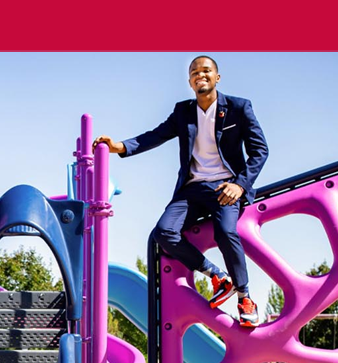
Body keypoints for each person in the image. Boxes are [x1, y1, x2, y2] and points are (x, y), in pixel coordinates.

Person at [95, 56, 269, 327]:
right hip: (192, 189)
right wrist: (119, 146)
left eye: (206, 71)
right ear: (189, 82)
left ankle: (244, 296)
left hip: (226, 186)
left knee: (226, 231)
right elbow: (155, 135)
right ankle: (216, 275)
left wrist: (240, 185)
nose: (200, 75)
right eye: (194, 73)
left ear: (217, 77)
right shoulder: (183, 112)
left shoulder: (238, 107)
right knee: (163, 232)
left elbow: (260, 151)